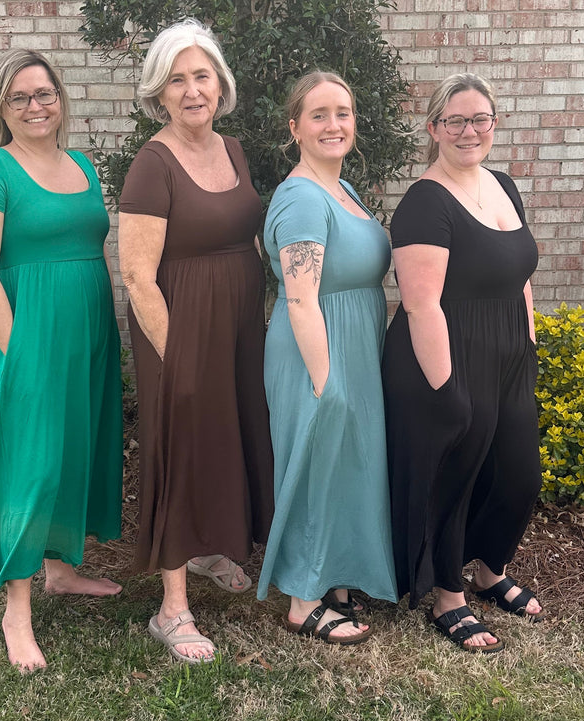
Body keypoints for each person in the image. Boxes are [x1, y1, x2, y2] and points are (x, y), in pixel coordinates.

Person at [0, 49, 124, 671]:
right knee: (29, 463)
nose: (36, 105)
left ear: (62, 99)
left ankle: (61, 570)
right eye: (21, 96)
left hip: (87, 327)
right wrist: (18, 352)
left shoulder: (81, 164)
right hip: (28, 335)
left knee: (76, 448)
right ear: (2, 105)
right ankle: (16, 611)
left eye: (45, 93)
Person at [118, 19, 274, 664]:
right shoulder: (152, 164)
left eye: (201, 76)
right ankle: (171, 608)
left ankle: (212, 550)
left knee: (229, 434)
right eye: (176, 79)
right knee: (181, 446)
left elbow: (254, 234)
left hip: (239, 323)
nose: (191, 90)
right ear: (160, 93)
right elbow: (135, 273)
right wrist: (175, 353)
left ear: (221, 85)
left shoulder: (234, 150)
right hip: (179, 326)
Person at [382, 73, 544, 654]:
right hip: (448, 353)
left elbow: (519, 276)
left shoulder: (503, 186)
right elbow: (422, 303)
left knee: (521, 473)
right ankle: (448, 596)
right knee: (457, 474)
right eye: (455, 120)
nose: (469, 130)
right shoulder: (425, 202)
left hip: (506, 354)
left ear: (494, 124)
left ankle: (489, 569)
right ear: (434, 128)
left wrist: (527, 346)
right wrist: (447, 388)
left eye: (480, 119)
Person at [255, 71, 397, 645]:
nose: (333, 124)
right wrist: (325, 380)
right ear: (295, 128)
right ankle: (303, 600)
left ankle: (333, 578)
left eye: (343, 112)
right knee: (315, 465)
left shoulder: (342, 188)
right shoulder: (300, 197)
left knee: (346, 466)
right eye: (318, 114)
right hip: (317, 350)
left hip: (355, 345)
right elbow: (300, 296)